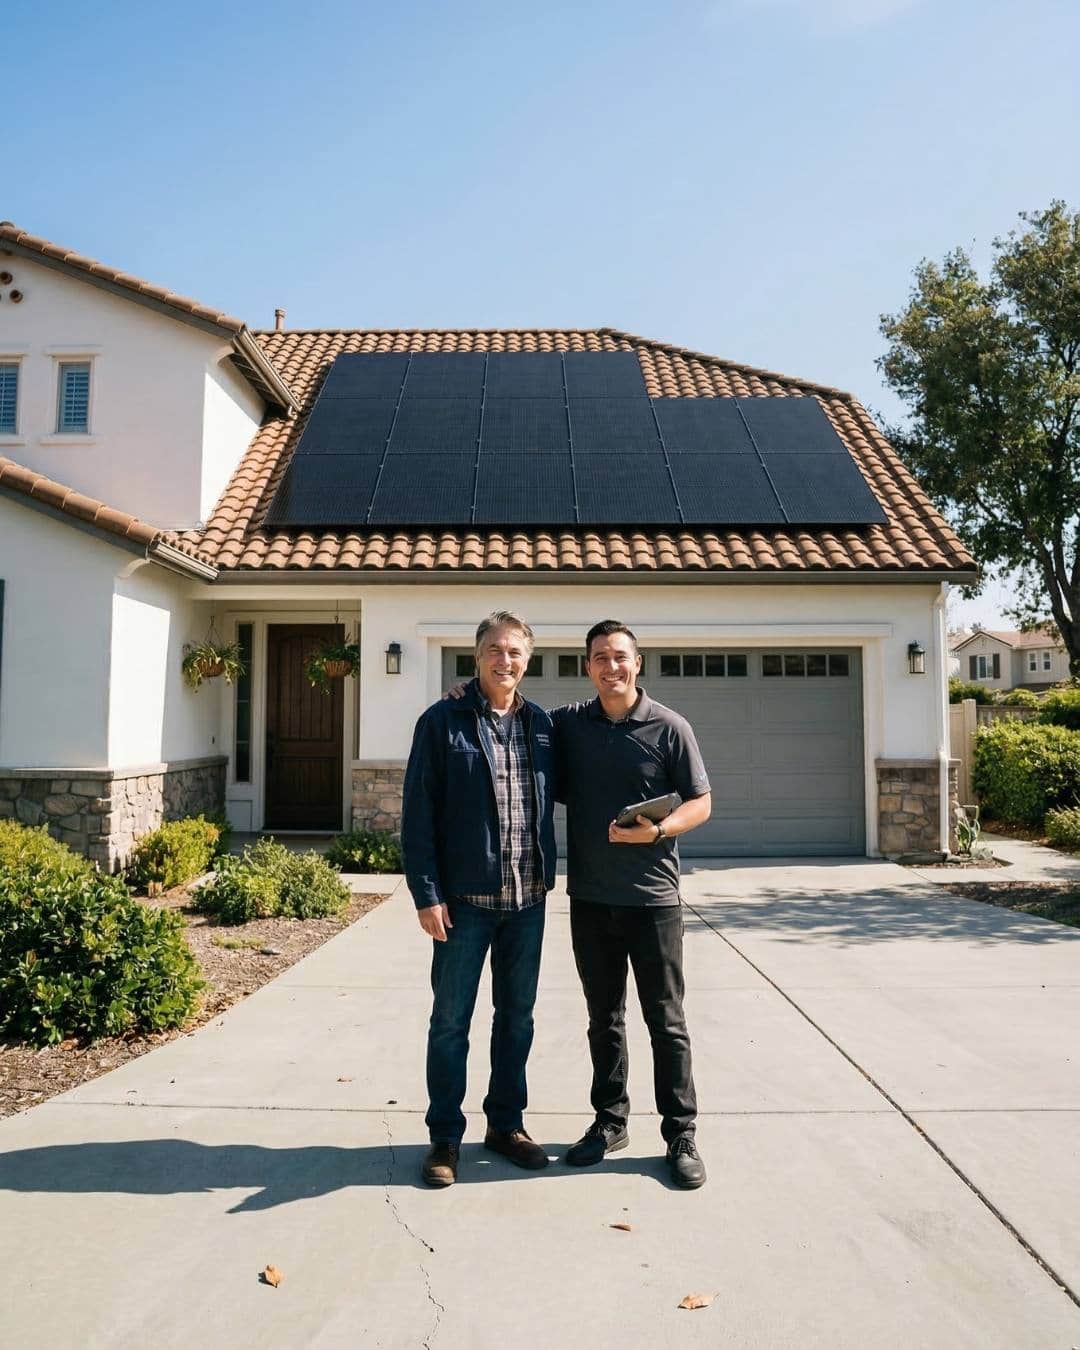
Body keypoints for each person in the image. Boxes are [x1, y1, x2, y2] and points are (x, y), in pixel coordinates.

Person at [402, 610, 558, 1188]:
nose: (504, 660)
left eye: (515, 651)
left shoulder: (542, 726)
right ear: (477, 656)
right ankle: (445, 1137)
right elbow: (418, 814)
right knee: (450, 1022)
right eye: (495, 649)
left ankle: (506, 1125)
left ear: (527, 661)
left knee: (517, 1019)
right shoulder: (440, 722)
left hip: (528, 900)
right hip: (463, 904)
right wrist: (426, 894)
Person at [554, 620, 712, 1188]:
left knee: (665, 1021)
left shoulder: (670, 727)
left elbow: (701, 802)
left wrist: (660, 830)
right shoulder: (569, 725)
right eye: (600, 657)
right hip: (591, 899)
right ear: (588, 666)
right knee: (604, 1019)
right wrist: (463, 694)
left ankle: (681, 1134)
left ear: (637, 663)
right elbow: (514, 720)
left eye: (620, 656)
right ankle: (610, 1121)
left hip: (653, 901)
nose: (611, 666)